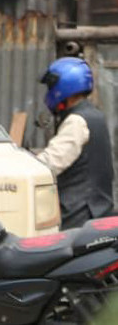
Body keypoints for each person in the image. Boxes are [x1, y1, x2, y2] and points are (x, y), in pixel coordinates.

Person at [36, 56, 114, 228]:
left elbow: (50, 163)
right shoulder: (96, 116)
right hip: (98, 212)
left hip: (78, 215)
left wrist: (22, 167)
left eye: (51, 87)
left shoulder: (77, 121)